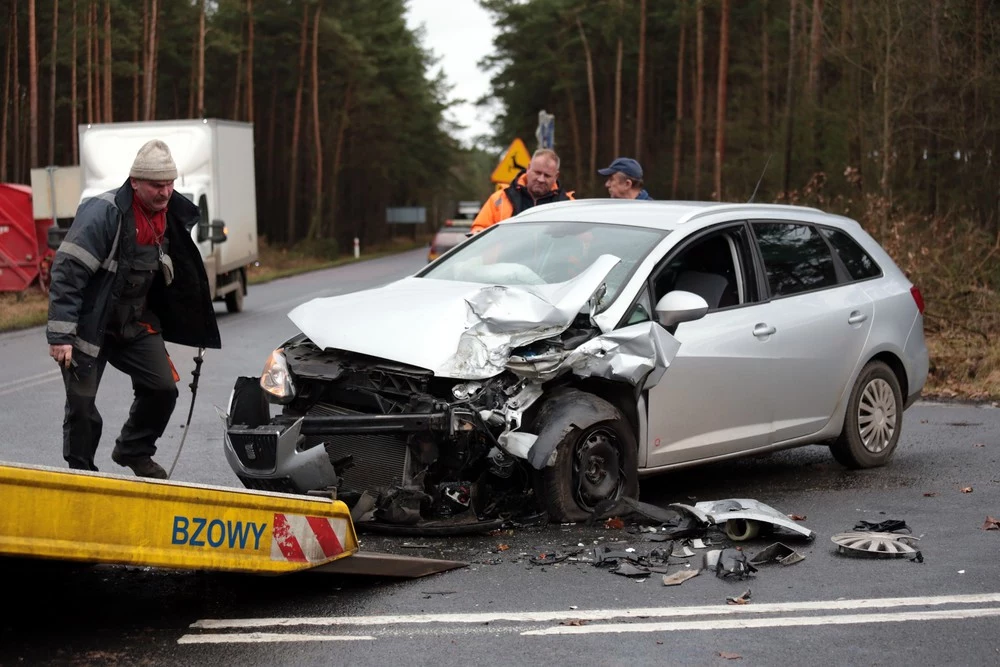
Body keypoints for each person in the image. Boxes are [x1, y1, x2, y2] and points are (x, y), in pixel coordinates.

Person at [46, 139, 221, 478]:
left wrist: (196, 321)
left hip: (134, 325)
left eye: (170, 184)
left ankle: (133, 450)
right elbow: (67, 272)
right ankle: (81, 475)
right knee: (82, 406)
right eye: (158, 185)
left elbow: (182, 277)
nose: (166, 192)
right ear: (135, 182)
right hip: (89, 327)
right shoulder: (103, 213)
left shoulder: (169, 217)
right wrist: (61, 335)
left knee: (162, 389)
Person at [471, 148, 574, 233]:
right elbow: (479, 230)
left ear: (556, 176)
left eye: (547, 176)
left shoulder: (569, 205)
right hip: (507, 258)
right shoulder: (500, 200)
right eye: (537, 173)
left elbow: (584, 241)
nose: (541, 179)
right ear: (528, 168)